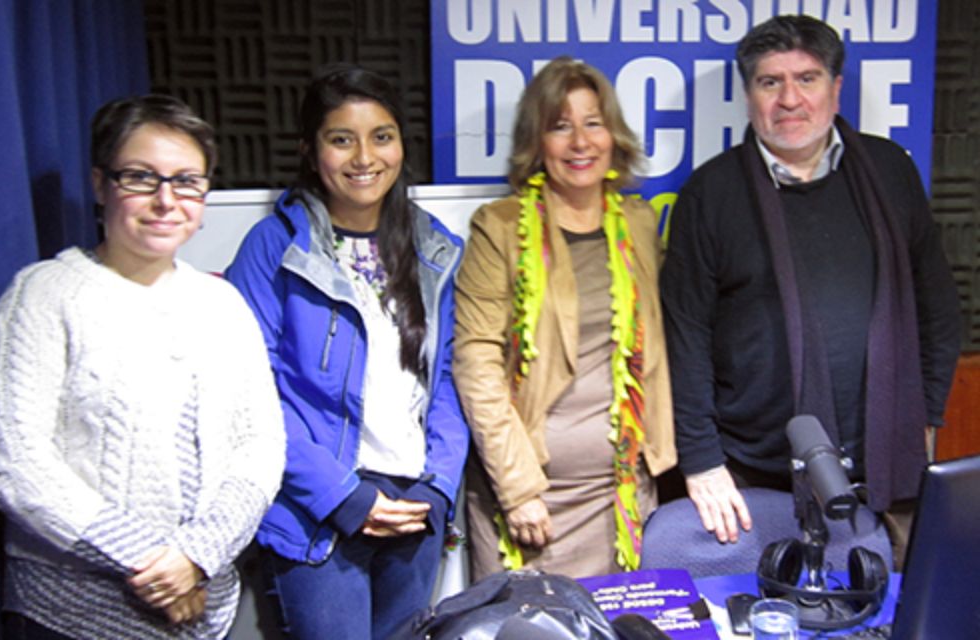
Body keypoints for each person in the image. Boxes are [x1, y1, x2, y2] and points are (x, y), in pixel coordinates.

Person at [660, 15, 961, 565]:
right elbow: (685, 337)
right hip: (752, 472)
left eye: (807, 78)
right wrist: (702, 461)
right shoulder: (710, 193)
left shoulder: (890, 171)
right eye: (769, 82)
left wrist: (925, 413)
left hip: (884, 464)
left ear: (836, 87)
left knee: (888, 599)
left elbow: (937, 306)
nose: (789, 99)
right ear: (748, 95)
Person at [0, 94, 286, 639]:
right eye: (142, 178)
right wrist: (153, 563)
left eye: (186, 181)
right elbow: (12, 458)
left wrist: (197, 555)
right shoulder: (43, 295)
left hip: (202, 606)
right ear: (101, 184)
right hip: (69, 616)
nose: (166, 200)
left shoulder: (223, 305)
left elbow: (260, 447)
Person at [224, 64, 470, 640]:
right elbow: (250, 395)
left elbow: (448, 381)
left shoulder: (435, 246)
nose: (365, 157)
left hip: (414, 506)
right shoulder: (273, 247)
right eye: (342, 139)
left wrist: (437, 486)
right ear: (310, 152)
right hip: (316, 510)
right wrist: (343, 496)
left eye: (382, 136)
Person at [454, 56, 677, 581]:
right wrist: (518, 490)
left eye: (593, 123)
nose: (580, 143)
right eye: (560, 126)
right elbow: (476, 364)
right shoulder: (499, 227)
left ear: (613, 134)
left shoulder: (638, 223)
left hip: (622, 495)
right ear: (537, 142)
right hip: (533, 501)